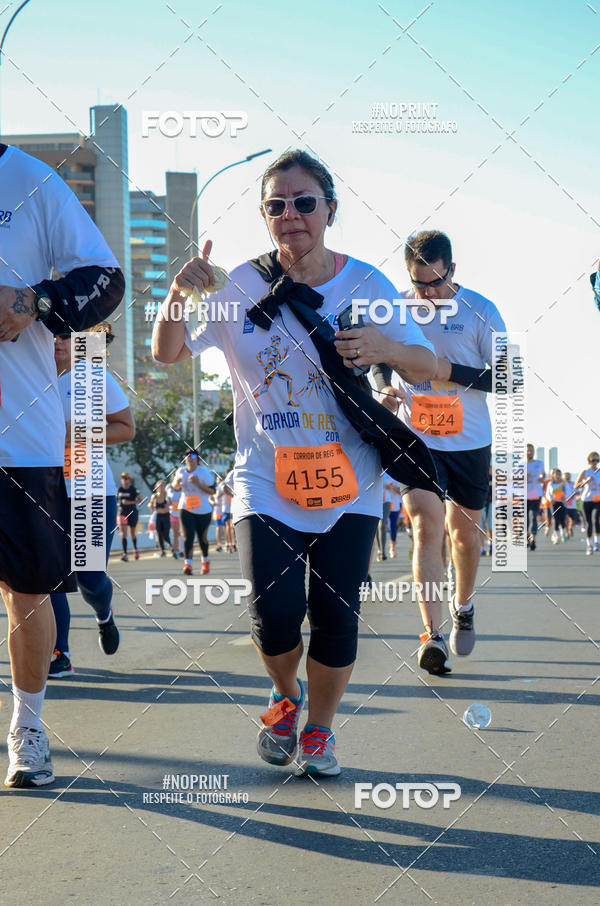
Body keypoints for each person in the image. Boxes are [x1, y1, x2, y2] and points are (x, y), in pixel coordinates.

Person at [152, 149, 436, 776]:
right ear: (264, 216)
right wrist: (177, 293)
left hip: (351, 480)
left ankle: (320, 732)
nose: (292, 216)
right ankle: (286, 694)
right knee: (273, 611)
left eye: (305, 203)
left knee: (336, 617)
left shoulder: (365, 284)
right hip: (265, 480)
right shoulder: (236, 287)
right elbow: (167, 352)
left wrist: (385, 346)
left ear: (330, 210)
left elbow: (423, 366)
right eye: (277, 206)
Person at [0, 142, 124, 786]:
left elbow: (106, 281)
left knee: (30, 592)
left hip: (21, 444)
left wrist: (32, 302)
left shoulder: (28, 180)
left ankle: (28, 725)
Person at [372, 229, 506, 674]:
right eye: (418, 283)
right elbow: (377, 358)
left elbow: (509, 377)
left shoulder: (480, 311)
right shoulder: (397, 305)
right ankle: (431, 635)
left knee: (464, 536)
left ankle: (463, 606)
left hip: (469, 441)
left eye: (435, 281)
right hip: (417, 437)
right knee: (426, 526)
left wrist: (445, 370)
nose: (426, 292)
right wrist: (384, 387)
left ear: (452, 269)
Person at [49, 323, 133, 677]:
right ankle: (59, 653)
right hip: (44, 491)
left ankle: (104, 613)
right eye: (51, 333)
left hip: (90, 490)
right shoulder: (25, 378)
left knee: (89, 577)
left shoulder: (92, 378)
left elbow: (125, 427)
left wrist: (71, 433)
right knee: (48, 577)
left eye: (65, 335)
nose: (57, 340)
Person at [176, 450, 216, 575]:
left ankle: (205, 560)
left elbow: (212, 491)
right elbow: (175, 486)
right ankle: (188, 564)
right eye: (187, 455)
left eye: (193, 455)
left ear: (197, 459)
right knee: (188, 537)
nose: (190, 457)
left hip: (203, 510)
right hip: (185, 508)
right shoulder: (181, 471)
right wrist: (176, 483)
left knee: (202, 538)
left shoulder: (203, 473)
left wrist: (197, 484)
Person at [575, 451, 600, 555]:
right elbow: (576, 486)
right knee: (589, 523)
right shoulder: (585, 472)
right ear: (589, 461)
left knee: (596, 519)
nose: (595, 462)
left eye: (597, 460)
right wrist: (586, 481)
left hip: (597, 499)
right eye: (593, 460)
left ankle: (597, 542)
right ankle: (589, 545)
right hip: (586, 500)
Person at [117, 472, 142, 560]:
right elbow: (115, 500)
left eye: (126, 478)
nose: (125, 480)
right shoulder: (119, 489)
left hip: (132, 512)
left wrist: (130, 502)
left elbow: (140, 500)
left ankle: (135, 550)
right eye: (123, 478)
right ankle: (125, 554)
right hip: (122, 513)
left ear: (129, 480)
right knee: (123, 534)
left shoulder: (133, 489)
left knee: (132, 534)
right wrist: (118, 504)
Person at [526, 444, 545, 551]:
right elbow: (514, 478)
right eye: (528, 451)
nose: (530, 452)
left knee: (533, 516)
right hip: (523, 494)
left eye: (531, 450)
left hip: (535, 493)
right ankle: (527, 537)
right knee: (525, 518)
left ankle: (533, 539)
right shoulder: (521, 464)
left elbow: (543, 474)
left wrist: (542, 478)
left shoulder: (539, 463)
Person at [150, 480, 175, 557]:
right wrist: (152, 505)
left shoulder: (167, 495)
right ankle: (163, 551)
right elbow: (151, 506)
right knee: (159, 533)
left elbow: (170, 504)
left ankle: (171, 545)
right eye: (159, 486)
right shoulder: (154, 496)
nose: (160, 487)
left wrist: (167, 505)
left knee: (165, 534)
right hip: (158, 517)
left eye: (162, 486)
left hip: (166, 516)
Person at [547, 468, 567, 543]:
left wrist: (565, 497)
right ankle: (556, 537)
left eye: (559, 474)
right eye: (556, 474)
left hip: (562, 503)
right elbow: (547, 494)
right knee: (556, 519)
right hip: (554, 504)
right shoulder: (550, 484)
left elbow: (568, 492)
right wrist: (550, 499)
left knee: (562, 520)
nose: (558, 476)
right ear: (553, 475)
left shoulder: (564, 483)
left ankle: (563, 534)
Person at [167, 475, 183, 556]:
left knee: (182, 533)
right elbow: (167, 501)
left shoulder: (183, 490)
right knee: (175, 533)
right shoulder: (169, 489)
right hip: (173, 514)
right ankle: (176, 550)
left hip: (182, 514)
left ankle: (181, 550)